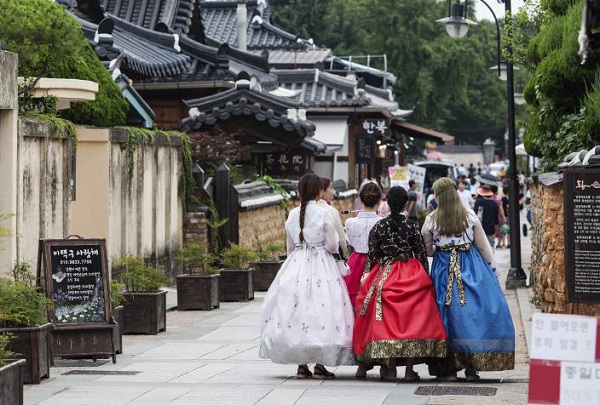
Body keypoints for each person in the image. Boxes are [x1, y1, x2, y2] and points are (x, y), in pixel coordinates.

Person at [259, 173, 354, 379]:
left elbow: (290, 247)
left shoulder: (292, 215)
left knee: (298, 310)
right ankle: (320, 362)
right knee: (322, 310)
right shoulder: (323, 214)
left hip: (297, 264)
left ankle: (302, 364)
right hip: (321, 265)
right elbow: (331, 245)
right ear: (319, 191)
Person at [421, 177, 515, 382]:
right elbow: (482, 246)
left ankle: (449, 368)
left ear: (437, 197)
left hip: (443, 269)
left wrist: (441, 248)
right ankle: (472, 367)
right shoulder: (470, 216)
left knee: (446, 312)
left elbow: (427, 250)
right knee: (473, 313)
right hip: (471, 267)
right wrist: (493, 269)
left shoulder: (431, 219)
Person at [353, 186, 447, 382]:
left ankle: (390, 368)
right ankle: (410, 370)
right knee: (412, 319)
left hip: (386, 272)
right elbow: (421, 254)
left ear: (387, 202)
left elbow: (373, 256)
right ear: (406, 204)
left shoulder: (378, 227)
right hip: (410, 272)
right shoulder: (412, 226)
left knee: (386, 318)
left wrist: (368, 276)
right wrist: (425, 277)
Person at [344, 182, 382, 307]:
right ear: (379, 201)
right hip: (377, 263)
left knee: (353, 301)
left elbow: (350, 242)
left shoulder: (350, 222)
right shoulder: (383, 223)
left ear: (361, 199)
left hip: (355, 262)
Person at [317, 177, 349, 258]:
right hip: (329, 255)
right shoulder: (331, 211)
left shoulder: (303, 210)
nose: (333, 191)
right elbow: (341, 238)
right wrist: (346, 254)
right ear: (322, 192)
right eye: (330, 188)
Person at [473, 185, 499, 249]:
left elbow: (475, 214)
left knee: (480, 248)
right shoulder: (494, 204)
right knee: (491, 246)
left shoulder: (479, 201)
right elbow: (496, 219)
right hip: (491, 229)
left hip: (480, 229)